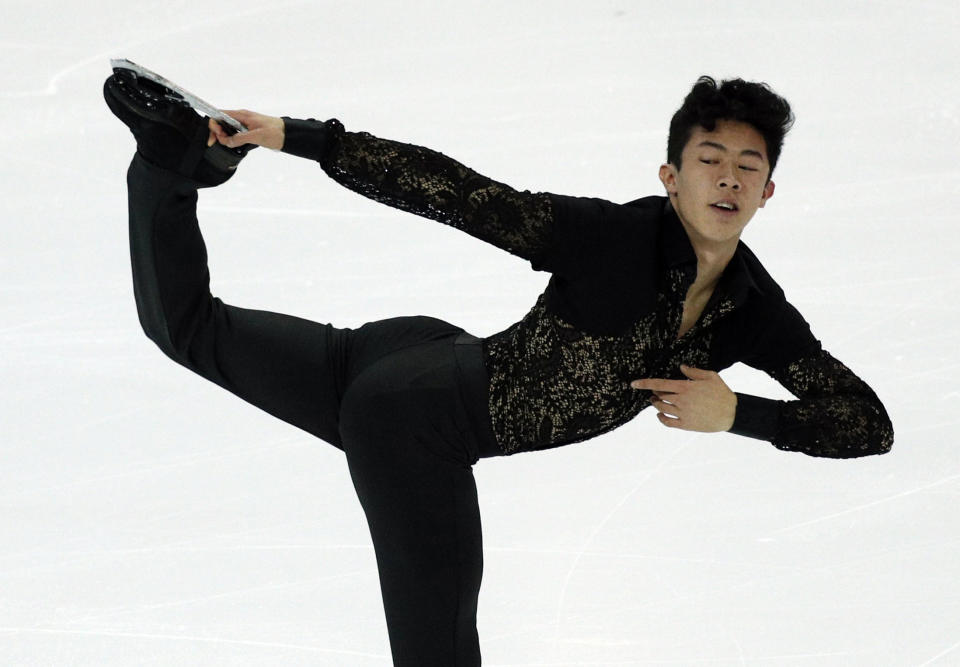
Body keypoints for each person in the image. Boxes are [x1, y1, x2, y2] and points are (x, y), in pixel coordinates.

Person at [103, 71, 893, 666]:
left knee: (187, 328)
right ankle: (178, 160)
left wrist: (740, 414)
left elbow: (868, 422)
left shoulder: (752, 310)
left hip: (416, 354)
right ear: (670, 177)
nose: (727, 177)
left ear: (768, 190)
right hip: (418, 424)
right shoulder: (605, 238)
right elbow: (460, 193)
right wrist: (293, 135)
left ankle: (170, 162)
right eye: (708, 158)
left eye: (746, 166)